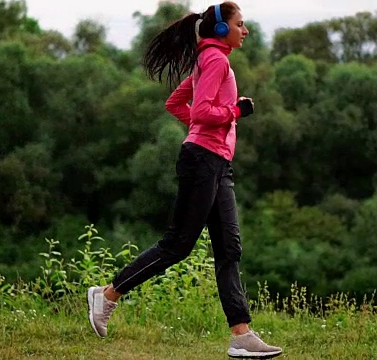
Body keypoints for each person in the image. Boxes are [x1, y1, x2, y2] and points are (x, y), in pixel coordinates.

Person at [86, 2, 283, 358]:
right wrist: (236, 111)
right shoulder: (216, 61)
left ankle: (241, 336)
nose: (246, 30)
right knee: (177, 245)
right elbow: (205, 110)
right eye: (241, 24)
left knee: (229, 249)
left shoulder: (207, 60)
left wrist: (202, 126)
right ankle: (108, 294)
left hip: (217, 163)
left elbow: (176, 104)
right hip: (202, 162)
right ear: (222, 30)